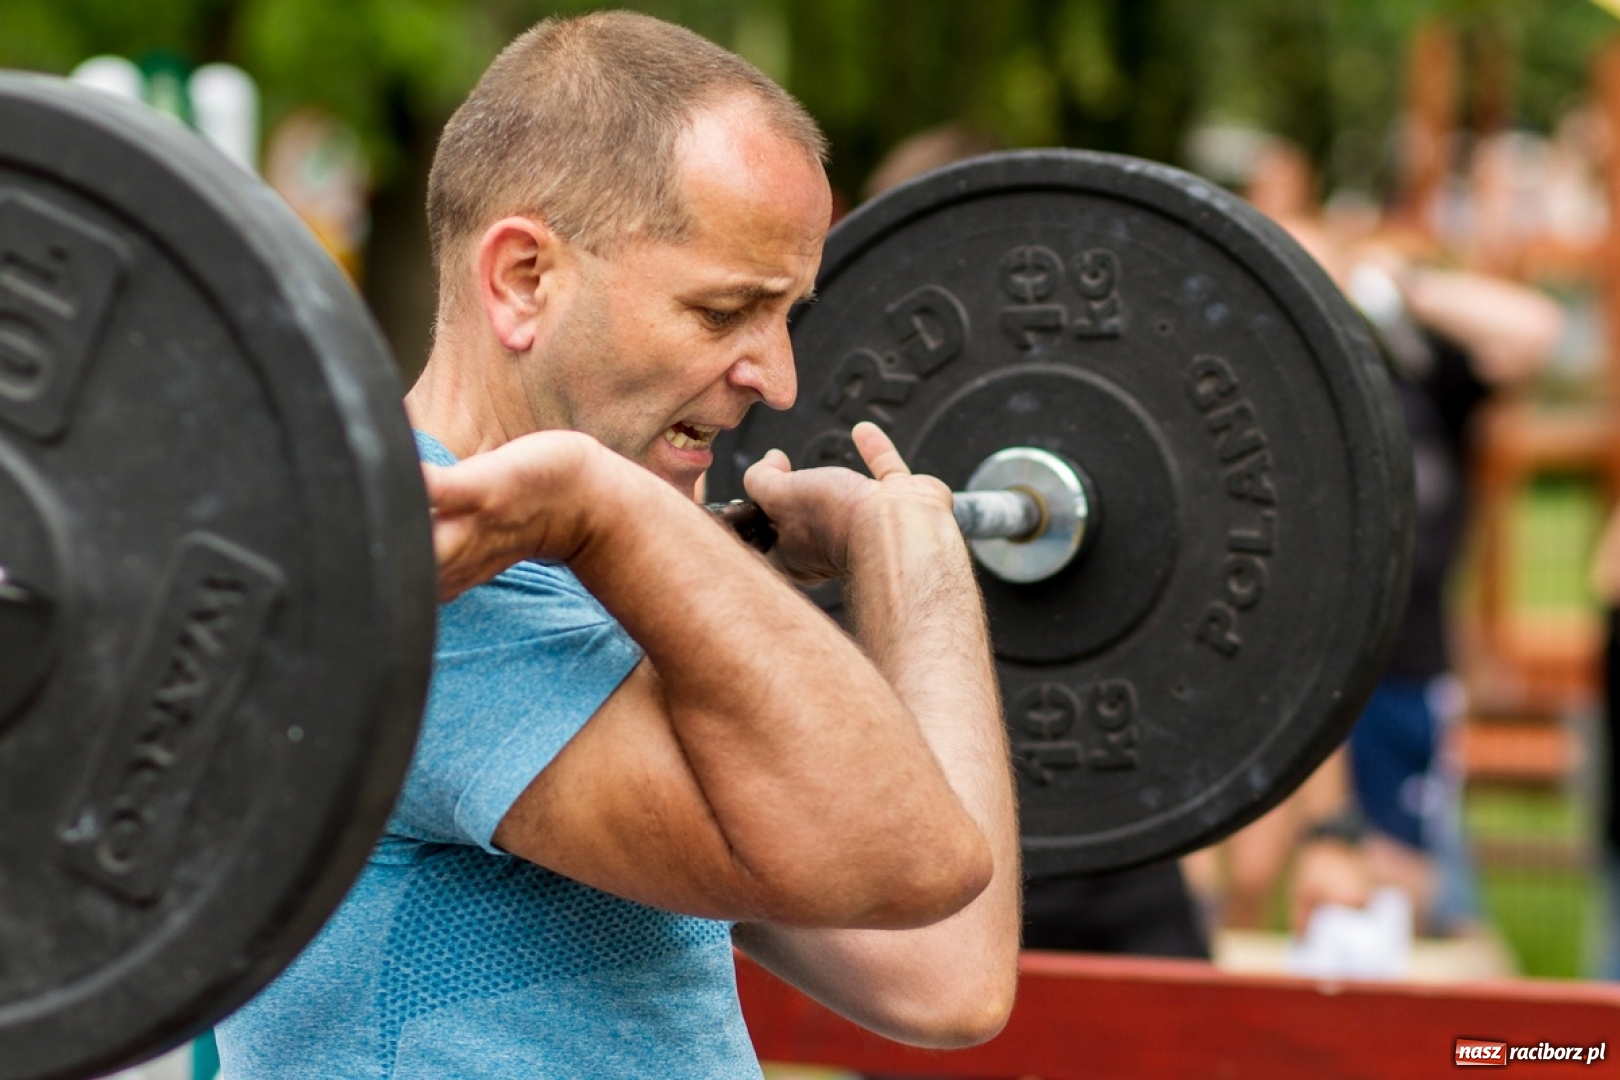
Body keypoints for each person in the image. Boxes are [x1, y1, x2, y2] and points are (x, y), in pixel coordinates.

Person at [214, 13, 1020, 1078]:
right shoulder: (413, 589)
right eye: (725, 309)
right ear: (523, 280)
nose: (777, 380)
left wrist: (907, 552)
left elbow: (945, 972)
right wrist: (611, 507)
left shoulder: (579, 576)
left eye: (786, 315)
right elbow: (914, 858)